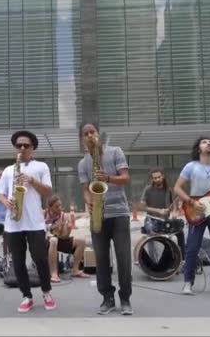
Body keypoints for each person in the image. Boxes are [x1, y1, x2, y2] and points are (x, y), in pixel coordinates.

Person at [0, 130, 56, 313]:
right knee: (18, 262)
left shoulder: (41, 167)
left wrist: (31, 180)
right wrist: (6, 202)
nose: (22, 148)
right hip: (13, 222)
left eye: (26, 145)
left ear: (33, 148)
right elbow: (0, 194)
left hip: (35, 222)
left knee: (40, 259)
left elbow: (48, 192)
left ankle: (46, 292)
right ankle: (26, 296)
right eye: (19, 145)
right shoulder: (8, 170)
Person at [78, 123, 133, 316]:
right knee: (101, 260)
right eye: (85, 134)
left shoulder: (115, 151)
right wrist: (89, 202)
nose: (89, 135)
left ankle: (125, 298)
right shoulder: (83, 163)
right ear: (82, 139)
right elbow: (86, 190)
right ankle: (107, 298)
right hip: (98, 215)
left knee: (124, 258)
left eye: (92, 132)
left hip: (119, 213)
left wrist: (108, 178)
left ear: (98, 134)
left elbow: (125, 177)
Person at [173, 137, 210, 296]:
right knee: (192, 248)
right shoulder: (191, 166)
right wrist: (191, 202)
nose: (208, 144)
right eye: (204, 142)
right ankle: (188, 283)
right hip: (196, 210)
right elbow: (177, 188)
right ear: (198, 148)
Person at [139, 168, 186, 260]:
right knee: (151, 233)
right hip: (151, 219)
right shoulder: (148, 190)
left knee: (180, 232)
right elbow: (142, 207)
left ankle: (182, 260)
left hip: (165, 221)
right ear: (152, 179)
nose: (157, 179)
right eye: (154, 178)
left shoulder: (168, 190)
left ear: (163, 176)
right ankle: (154, 261)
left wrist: (174, 212)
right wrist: (158, 211)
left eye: (158, 177)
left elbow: (174, 205)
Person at [44, 195, 89, 283]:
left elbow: (64, 236)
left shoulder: (63, 216)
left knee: (81, 240)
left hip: (59, 240)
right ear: (50, 207)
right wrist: (52, 226)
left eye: (60, 205)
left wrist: (68, 229)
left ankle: (75, 270)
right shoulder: (44, 214)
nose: (59, 208)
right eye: (56, 207)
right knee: (53, 240)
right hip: (46, 241)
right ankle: (53, 273)